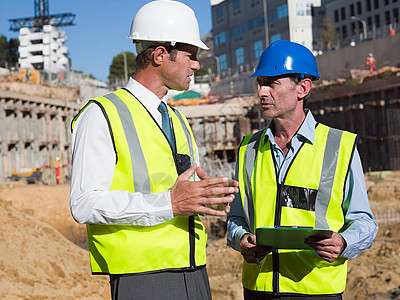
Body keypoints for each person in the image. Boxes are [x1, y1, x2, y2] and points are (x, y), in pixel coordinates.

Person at [69, 1, 238, 299]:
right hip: (142, 276)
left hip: (193, 268)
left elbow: (179, 191)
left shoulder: (177, 118)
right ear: (160, 54)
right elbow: (84, 204)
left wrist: (206, 196)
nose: (197, 65)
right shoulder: (102, 114)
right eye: (191, 55)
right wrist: (169, 204)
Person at [227, 40, 378, 299]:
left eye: (271, 83)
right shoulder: (248, 149)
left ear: (302, 88)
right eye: (260, 83)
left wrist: (344, 243)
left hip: (316, 290)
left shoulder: (339, 147)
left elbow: (364, 221)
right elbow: (236, 217)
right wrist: (240, 239)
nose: (261, 92)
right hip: (259, 289)